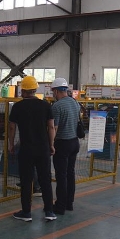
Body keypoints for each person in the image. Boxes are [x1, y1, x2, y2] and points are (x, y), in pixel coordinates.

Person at [8, 75, 57, 221]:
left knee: (26, 181)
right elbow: (51, 127)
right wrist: (51, 144)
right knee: (45, 179)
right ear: (35, 89)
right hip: (43, 149)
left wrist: (11, 144)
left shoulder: (17, 107)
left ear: (23, 90)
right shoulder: (46, 105)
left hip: (26, 149)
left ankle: (26, 212)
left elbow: (12, 127)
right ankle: (49, 211)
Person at [50, 78, 80, 215]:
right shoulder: (75, 102)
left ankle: (60, 206)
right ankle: (69, 203)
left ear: (56, 91)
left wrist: (51, 144)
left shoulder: (57, 106)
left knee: (61, 176)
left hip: (62, 143)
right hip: (74, 142)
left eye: (53, 91)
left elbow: (54, 128)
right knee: (70, 173)